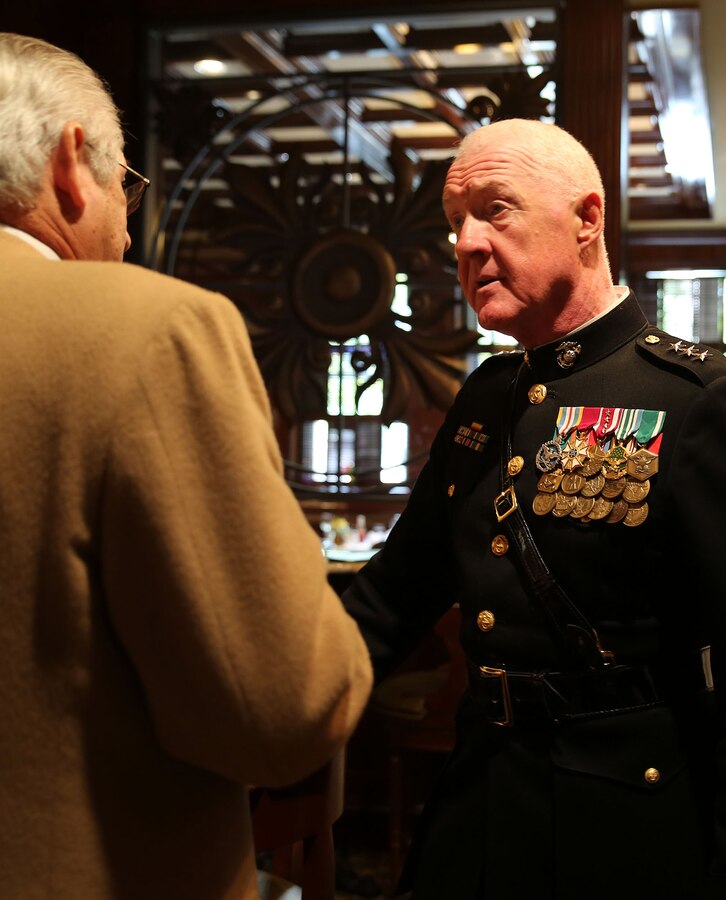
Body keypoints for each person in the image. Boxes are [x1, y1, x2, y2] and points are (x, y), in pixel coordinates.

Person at [0, 32, 372, 900]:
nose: (129, 225)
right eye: (126, 183)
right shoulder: (146, 330)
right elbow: (284, 713)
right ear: (69, 162)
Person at [342, 117, 726, 900]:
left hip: (627, 825)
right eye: (456, 223)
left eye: (496, 209)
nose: (467, 243)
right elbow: (394, 596)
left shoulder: (693, 397)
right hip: (479, 798)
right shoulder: (487, 395)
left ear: (588, 218)